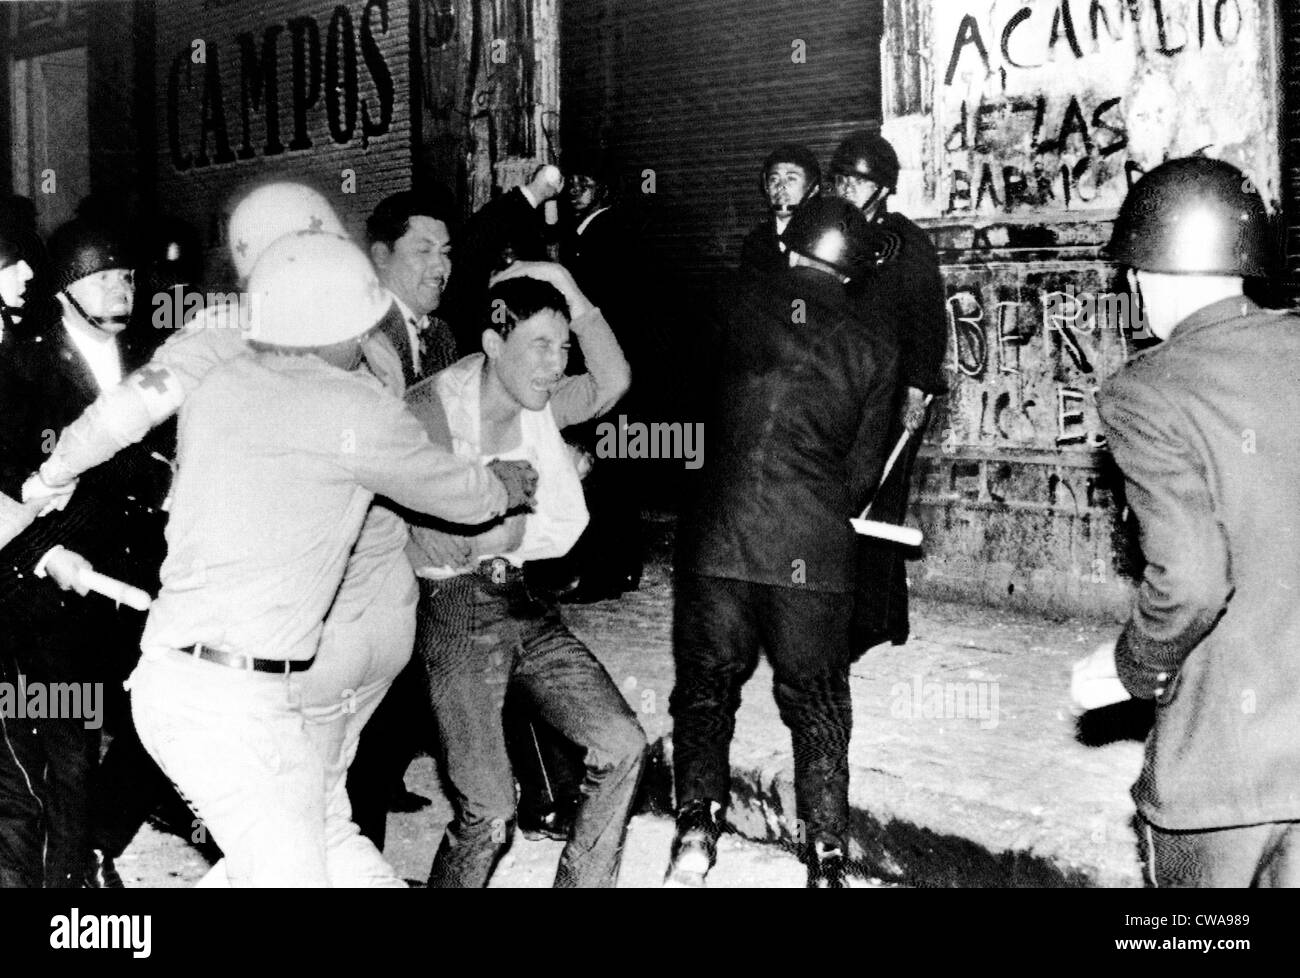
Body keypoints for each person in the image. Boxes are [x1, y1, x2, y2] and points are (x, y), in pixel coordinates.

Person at [123, 230, 536, 887]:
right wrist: (500, 487)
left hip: (299, 661)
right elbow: (438, 485)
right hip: (240, 677)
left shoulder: (311, 371)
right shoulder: (285, 386)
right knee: (293, 860)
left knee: (315, 831)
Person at [1070, 156, 1300, 887]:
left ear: (1145, 276)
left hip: (1222, 778)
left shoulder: (1147, 393)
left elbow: (1195, 581)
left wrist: (1129, 668)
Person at [666, 197, 900, 888]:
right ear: (852, 270)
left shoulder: (734, 304)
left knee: (705, 687)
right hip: (811, 546)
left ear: (788, 244)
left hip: (717, 538)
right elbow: (861, 473)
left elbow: (690, 409)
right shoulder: (876, 346)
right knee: (817, 701)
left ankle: (694, 835)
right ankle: (826, 855)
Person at [404, 261, 647, 888]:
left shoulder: (538, 405)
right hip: (455, 611)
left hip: (522, 604)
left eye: (563, 349)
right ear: (492, 344)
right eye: (539, 345)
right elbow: (421, 528)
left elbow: (613, 379)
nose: (555, 364)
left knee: (621, 745)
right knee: (489, 816)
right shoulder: (429, 410)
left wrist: (568, 287)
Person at [0, 219, 172, 888]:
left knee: (157, 724)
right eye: (101, 277)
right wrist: (50, 551)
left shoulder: (153, 360)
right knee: (64, 752)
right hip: (52, 590)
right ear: (67, 289)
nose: (119, 288)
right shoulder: (25, 365)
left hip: (137, 577)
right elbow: (18, 482)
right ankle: (71, 884)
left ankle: (101, 840)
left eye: (125, 276)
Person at [830, 131, 947, 654]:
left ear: (882, 188)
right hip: (851, 386)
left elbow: (928, 321)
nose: (847, 188)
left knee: (880, 502)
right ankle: (881, 615)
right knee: (853, 495)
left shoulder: (905, 242)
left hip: (896, 390)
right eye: (841, 179)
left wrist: (919, 389)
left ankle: (872, 622)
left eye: (858, 181)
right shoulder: (839, 236)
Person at [441, 164, 564, 352]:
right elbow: (501, 291)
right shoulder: (516, 219)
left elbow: (551, 233)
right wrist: (500, 327)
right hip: (480, 327)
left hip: (471, 318)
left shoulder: (502, 210)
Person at [739, 143, 822, 276]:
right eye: (774, 179)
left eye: (791, 179)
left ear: (812, 189)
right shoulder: (756, 241)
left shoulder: (824, 237)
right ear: (766, 188)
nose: (780, 186)